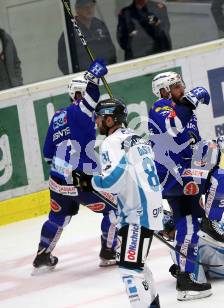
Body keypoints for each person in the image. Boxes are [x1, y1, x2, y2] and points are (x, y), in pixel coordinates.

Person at [148, 71, 224, 300]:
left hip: (184, 174)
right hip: (173, 174)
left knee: (188, 225)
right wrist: (190, 102)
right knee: (220, 177)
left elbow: (195, 145)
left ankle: (187, 280)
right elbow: (172, 127)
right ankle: (211, 222)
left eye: (181, 83)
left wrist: (222, 142)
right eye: (176, 86)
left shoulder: (186, 112)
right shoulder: (161, 107)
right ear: (163, 91)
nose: (182, 88)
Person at [32, 60, 117, 275]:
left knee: (57, 217)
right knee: (116, 210)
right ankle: (108, 252)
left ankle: (43, 254)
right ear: (78, 95)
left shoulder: (58, 116)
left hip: (57, 180)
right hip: (82, 180)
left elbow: (47, 153)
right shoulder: (83, 112)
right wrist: (93, 76)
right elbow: (92, 95)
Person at [78, 98, 163, 307]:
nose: (96, 121)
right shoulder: (137, 138)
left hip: (137, 214)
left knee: (129, 269)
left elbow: (112, 181)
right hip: (149, 210)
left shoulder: (111, 142)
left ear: (109, 120)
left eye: (99, 117)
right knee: (137, 265)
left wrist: (90, 181)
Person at [58, 0, 116, 75]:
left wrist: (112, 67)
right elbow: (63, 62)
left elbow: (111, 49)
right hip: (85, 77)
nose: (89, 9)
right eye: (85, 7)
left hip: (106, 72)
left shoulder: (100, 25)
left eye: (91, 6)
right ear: (77, 10)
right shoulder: (70, 31)